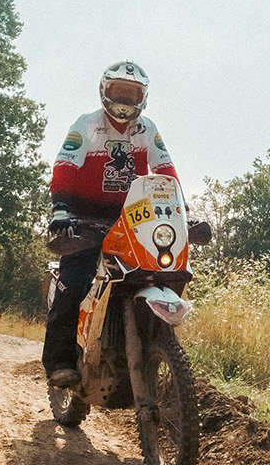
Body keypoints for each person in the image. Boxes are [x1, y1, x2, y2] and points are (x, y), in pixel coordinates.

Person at [42, 60, 178, 387]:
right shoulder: (86, 125)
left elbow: (166, 171)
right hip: (81, 219)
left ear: (143, 98)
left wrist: (183, 209)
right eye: (119, 92)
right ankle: (59, 360)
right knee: (74, 281)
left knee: (156, 274)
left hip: (131, 219)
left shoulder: (148, 130)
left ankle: (150, 352)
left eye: (133, 94)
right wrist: (60, 208)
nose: (125, 100)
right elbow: (63, 166)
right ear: (104, 91)